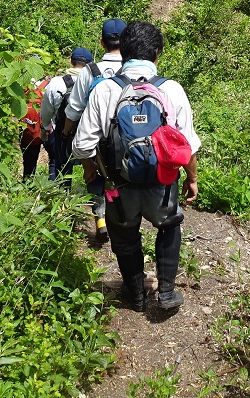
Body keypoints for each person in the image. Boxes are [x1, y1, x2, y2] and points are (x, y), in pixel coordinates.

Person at [73, 21, 200, 312]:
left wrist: (90, 169)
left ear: (123, 52)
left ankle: (136, 294)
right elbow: (187, 144)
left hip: (119, 186)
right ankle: (166, 293)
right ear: (157, 53)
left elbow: (82, 144)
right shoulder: (171, 89)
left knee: (125, 236)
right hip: (162, 184)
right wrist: (191, 179)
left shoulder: (106, 89)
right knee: (169, 226)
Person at [62, 18, 127, 242]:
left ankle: (100, 220)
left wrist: (65, 132)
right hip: (127, 139)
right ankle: (125, 221)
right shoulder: (134, 68)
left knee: (95, 177)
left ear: (101, 43)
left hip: (96, 139)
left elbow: (75, 109)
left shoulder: (91, 70)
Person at [39, 47, 93, 183]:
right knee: (94, 169)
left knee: (61, 166)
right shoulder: (96, 81)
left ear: (70, 61)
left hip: (64, 132)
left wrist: (45, 127)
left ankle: (59, 197)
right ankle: (93, 200)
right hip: (90, 133)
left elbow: (46, 111)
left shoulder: (56, 83)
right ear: (91, 64)